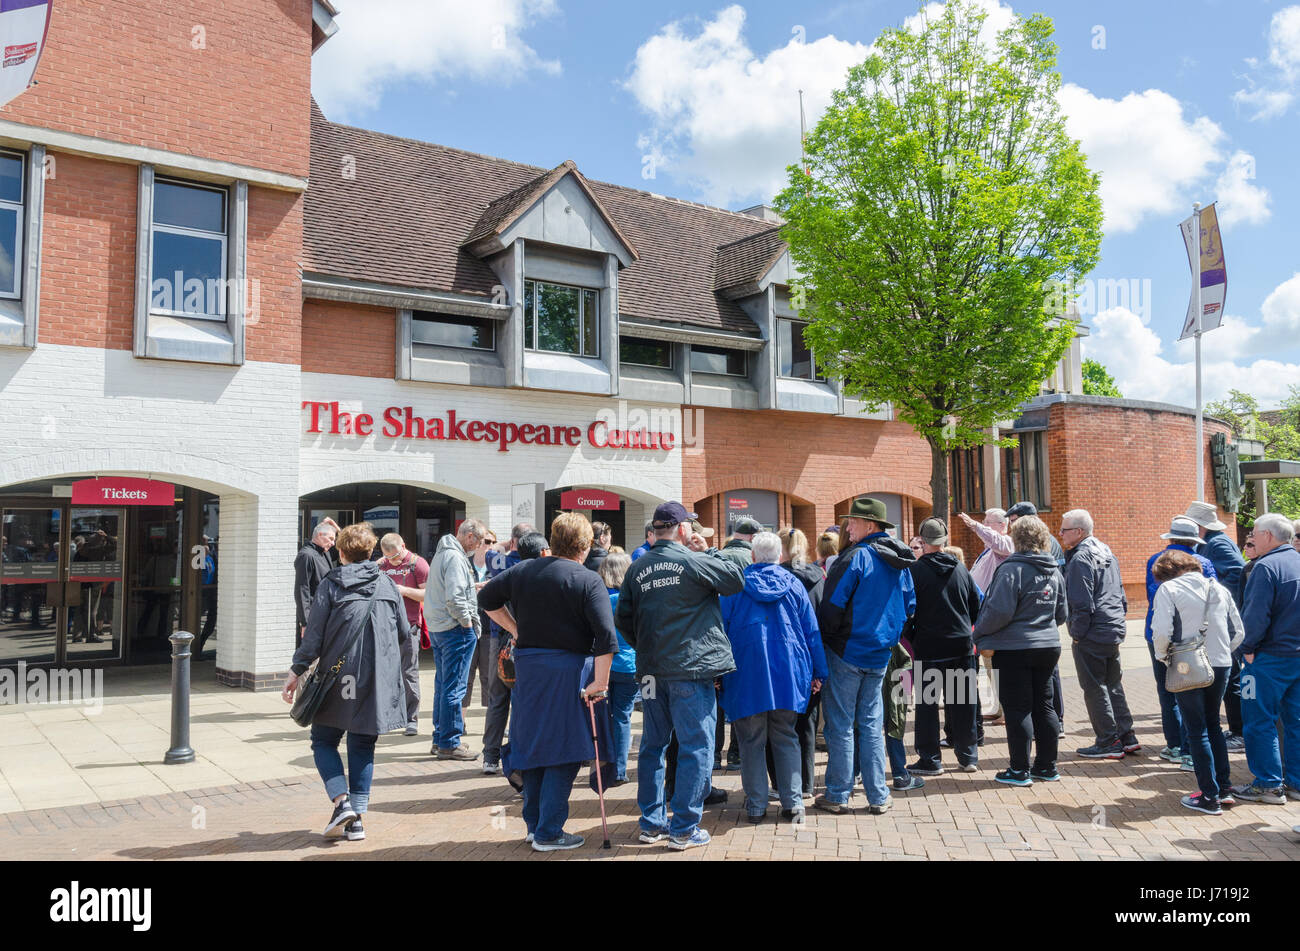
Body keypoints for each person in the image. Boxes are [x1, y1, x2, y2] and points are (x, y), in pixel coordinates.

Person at [479, 514, 616, 852]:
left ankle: (535, 824)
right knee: (564, 751)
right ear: (584, 547)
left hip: (529, 670)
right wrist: (600, 681)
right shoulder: (587, 579)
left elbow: (485, 599)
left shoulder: (524, 570)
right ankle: (549, 831)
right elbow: (605, 636)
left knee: (533, 746)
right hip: (567, 671)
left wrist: (514, 629)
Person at [615, 501, 745, 851]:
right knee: (695, 745)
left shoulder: (637, 567)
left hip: (651, 669)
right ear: (683, 528)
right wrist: (711, 550)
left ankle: (651, 823)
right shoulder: (693, 561)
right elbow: (735, 579)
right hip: (689, 668)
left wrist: (646, 645)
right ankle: (685, 827)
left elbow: (623, 620)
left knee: (652, 745)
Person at [282, 522, 407, 841]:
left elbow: (314, 635)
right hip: (376, 677)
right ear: (371, 551)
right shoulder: (387, 584)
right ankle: (357, 821)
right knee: (363, 743)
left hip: (340, 676)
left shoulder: (332, 583)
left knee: (324, 739)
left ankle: (342, 802)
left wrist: (296, 670)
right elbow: (405, 633)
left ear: (340, 552)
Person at [814, 496, 916, 816]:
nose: (848, 526)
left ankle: (838, 793)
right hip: (879, 652)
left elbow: (830, 608)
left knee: (841, 725)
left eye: (853, 521)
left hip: (848, 651)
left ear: (869, 525)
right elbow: (909, 606)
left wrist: (831, 640)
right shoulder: (898, 560)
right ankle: (878, 794)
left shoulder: (856, 557)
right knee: (871, 724)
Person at [720, 532, 828, 824]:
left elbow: (721, 631)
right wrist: (819, 671)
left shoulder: (735, 587)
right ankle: (793, 802)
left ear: (752, 556)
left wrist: (718, 672)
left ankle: (756, 805)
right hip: (788, 672)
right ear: (780, 556)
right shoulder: (794, 584)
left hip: (746, 672)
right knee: (785, 736)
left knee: (751, 740)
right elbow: (811, 632)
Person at [972, 515, 1068, 786]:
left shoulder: (1012, 569)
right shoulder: (1054, 570)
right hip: (1048, 645)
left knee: (1017, 709)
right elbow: (1062, 612)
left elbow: (998, 611)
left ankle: (1019, 770)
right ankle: (1046, 767)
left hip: (1014, 647)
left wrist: (978, 632)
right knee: (1044, 706)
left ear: (1015, 538)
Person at [1150, 550, 1245, 815]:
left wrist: (1163, 657)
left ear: (1166, 572)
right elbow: (1238, 631)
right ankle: (1223, 788)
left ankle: (1209, 796)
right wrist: (1223, 650)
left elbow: (1161, 631)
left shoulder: (1168, 589)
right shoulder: (1219, 588)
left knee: (1196, 728)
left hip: (1186, 662)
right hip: (1221, 662)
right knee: (1213, 723)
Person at [1230, 512, 1300, 805]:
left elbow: (1255, 615)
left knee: (1258, 721)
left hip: (1267, 659)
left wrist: (1245, 647)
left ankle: (1269, 785)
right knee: (1295, 721)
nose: (1251, 539)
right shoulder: (1296, 561)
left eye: (1255, 534)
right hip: (1295, 656)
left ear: (1268, 536)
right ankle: (1295, 783)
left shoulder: (1265, 567)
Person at [905, 516, 982, 776]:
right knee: (962, 703)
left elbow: (907, 611)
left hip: (928, 646)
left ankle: (930, 759)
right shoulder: (961, 569)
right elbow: (975, 606)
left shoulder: (915, 571)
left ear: (923, 541)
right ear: (944, 540)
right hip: (960, 644)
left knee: (927, 706)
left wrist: (911, 636)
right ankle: (968, 755)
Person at [1060, 509, 1137, 760]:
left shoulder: (1081, 558)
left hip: (1093, 630)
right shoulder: (1105, 551)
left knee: (1094, 687)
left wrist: (1077, 633)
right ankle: (1126, 736)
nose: (1060, 534)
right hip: (1111, 625)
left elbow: (1081, 601)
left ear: (1079, 532)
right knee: (1113, 683)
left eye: (1064, 530)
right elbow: (1120, 592)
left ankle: (1108, 740)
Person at [1144, 516, 1217, 766]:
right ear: (1194, 540)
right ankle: (1190, 748)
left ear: (1172, 537)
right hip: (1197, 640)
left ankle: (1175, 744)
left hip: (1161, 635)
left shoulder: (1155, 561)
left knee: (1167, 692)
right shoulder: (1204, 562)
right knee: (1195, 693)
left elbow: (1152, 599)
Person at [1182, 501, 1248, 752]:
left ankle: (1239, 731)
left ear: (1199, 526)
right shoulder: (1217, 542)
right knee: (1230, 675)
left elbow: (1237, 572)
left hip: (1224, 620)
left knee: (1231, 677)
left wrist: (1215, 595)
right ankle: (1238, 729)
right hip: (1225, 617)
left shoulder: (1217, 544)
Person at [482, 530, 549, 774]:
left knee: (498, 699)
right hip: (529, 644)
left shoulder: (502, 566)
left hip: (499, 640)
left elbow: (490, 553)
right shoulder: (543, 574)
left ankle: (490, 756)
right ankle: (522, 756)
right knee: (525, 701)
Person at [424, 518, 486, 760]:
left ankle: (441, 738)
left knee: (443, 685)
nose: (479, 545)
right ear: (469, 536)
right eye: (479, 540)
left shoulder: (443, 554)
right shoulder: (455, 557)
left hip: (440, 628)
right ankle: (449, 742)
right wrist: (467, 623)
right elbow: (455, 597)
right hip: (454, 629)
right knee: (454, 687)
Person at [960, 508, 1013, 723]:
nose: (984, 525)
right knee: (990, 666)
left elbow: (997, 542)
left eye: (988, 522)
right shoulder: (989, 551)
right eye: (983, 521)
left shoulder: (1005, 543)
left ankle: (1006, 709)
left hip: (993, 615)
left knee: (996, 664)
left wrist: (975, 526)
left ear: (1002, 525)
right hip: (982, 615)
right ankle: (999, 707)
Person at [375, 533, 429, 737]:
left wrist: (404, 591)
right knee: (385, 673)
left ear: (404, 546)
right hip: (384, 626)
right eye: (388, 557)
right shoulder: (381, 565)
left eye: (396, 557)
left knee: (408, 673)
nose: (393, 561)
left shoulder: (418, 564)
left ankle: (411, 719)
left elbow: (429, 594)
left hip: (410, 625)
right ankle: (387, 716)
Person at [598, 551, 638, 785]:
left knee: (602, 717)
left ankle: (602, 768)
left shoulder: (598, 598)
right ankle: (619, 770)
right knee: (622, 717)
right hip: (628, 665)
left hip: (602, 664)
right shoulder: (630, 599)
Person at [462, 528, 498, 717]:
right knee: (466, 675)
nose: (489, 546)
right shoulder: (465, 564)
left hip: (489, 626)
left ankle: (491, 720)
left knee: (489, 676)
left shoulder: (498, 567)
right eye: (486, 541)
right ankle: (461, 720)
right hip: (467, 625)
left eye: (493, 542)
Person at [294, 522, 336, 647]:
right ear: (319, 535)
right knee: (309, 659)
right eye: (331, 538)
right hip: (312, 617)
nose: (333, 543)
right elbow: (302, 590)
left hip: (325, 613)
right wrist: (305, 623)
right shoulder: (306, 555)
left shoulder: (324, 552)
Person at [1006, 501, 1065, 566]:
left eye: (1012, 521)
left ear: (1025, 521)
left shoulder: (1039, 540)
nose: (1010, 525)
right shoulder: (1039, 538)